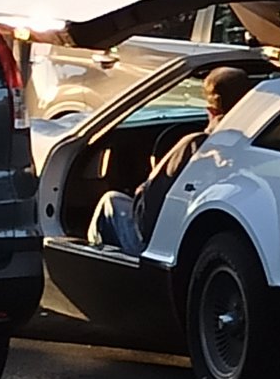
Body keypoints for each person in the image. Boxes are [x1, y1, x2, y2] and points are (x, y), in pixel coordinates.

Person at [88, 67, 253, 254]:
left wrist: (145, 185)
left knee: (110, 201)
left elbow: (147, 211)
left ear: (211, 110)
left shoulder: (194, 145)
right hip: (201, 243)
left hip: (161, 245)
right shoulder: (254, 142)